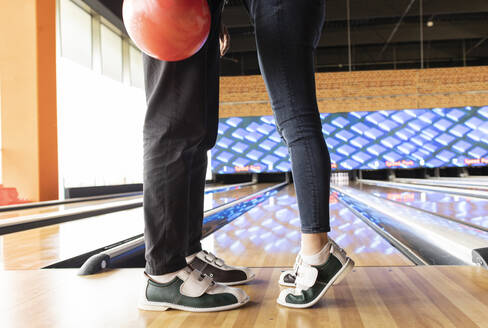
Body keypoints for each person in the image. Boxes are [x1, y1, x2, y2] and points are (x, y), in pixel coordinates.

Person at [138, 0, 354, 312]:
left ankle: (186, 254)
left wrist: (213, 14)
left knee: (197, 132)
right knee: (172, 125)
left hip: (202, 12)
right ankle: (164, 275)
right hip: (173, 7)